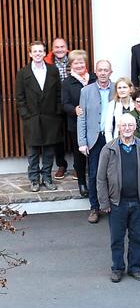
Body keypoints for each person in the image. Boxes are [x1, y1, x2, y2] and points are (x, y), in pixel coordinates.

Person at [96, 114, 140, 283]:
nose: (127, 128)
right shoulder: (108, 149)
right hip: (117, 203)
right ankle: (117, 268)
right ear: (119, 127)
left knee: (137, 237)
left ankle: (135, 267)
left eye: (130, 125)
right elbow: (100, 179)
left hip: (138, 202)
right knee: (117, 238)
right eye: (124, 125)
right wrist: (104, 202)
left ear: (135, 127)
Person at [16, 40, 63, 192]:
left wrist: (57, 112)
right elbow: (20, 97)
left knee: (49, 150)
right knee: (33, 152)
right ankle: (34, 179)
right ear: (30, 54)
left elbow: (58, 93)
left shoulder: (53, 70)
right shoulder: (23, 73)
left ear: (44, 53)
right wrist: (25, 115)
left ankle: (47, 178)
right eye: (34, 51)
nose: (37, 54)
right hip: (32, 118)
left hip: (51, 117)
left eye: (40, 51)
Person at [77, 59, 115, 224]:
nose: (103, 73)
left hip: (113, 137)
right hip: (94, 138)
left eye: (106, 70)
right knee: (94, 174)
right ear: (95, 72)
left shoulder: (117, 88)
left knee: (114, 174)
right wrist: (82, 142)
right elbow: (82, 118)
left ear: (110, 72)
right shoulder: (86, 91)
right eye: (100, 70)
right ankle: (94, 207)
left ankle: (114, 206)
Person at [61, 49, 95, 198]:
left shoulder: (93, 79)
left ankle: (96, 183)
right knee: (79, 155)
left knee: (95, 154)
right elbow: (64, 104)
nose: (79, 64)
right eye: (76, 62)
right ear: (71, 65)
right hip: (76, 125)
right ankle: (82, 183)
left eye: (81, 61)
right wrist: (74, 109)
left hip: (94, 124)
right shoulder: (67, 82)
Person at [45, 38, 69, 180]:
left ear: (66, 48)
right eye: (56, 47)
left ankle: (79, 166)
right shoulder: (47, 62)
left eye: (62, 47)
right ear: (52, 49)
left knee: (75, 136)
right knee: (57, 137)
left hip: (72, 103)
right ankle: (61, 165)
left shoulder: (74, 60)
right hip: (54, 104)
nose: (59, 49)